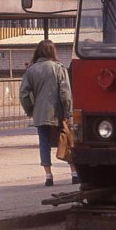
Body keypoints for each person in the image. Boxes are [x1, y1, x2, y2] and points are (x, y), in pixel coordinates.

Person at [19, 40, 78, 186]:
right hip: (59, 111)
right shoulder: (59, 68)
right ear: (53, 52)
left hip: (40, 112)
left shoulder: (31, 70)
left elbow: (24, 94)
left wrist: (31, 110)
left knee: (43, 143)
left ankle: (48, 176)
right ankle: (73, 172)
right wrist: (67, 111)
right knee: (67, 140)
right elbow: (65, 93)